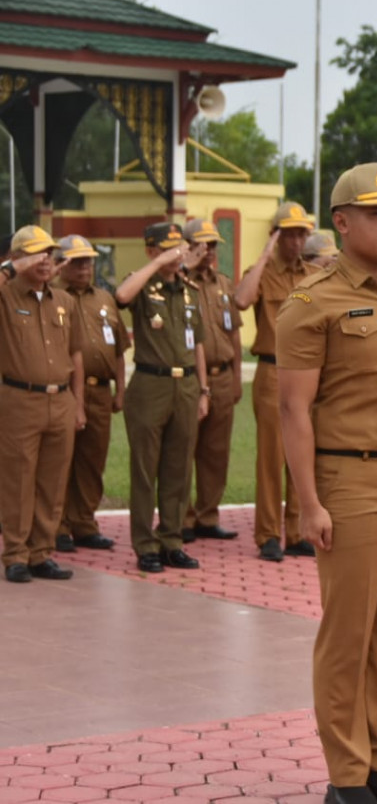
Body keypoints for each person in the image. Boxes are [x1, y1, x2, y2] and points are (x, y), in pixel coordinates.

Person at [278, 162, 377, 804]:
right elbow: (294, 410)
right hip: (350, 480)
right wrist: (310, 504)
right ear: (341, 222)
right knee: (348, 632)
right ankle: (346, 776)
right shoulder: (310, 303)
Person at [116, 222, 209, 573]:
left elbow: (197, 343)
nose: (177, 253)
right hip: (149, 385)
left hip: (184, 386)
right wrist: (157, 265)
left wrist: (203, 389)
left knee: (179, 469)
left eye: (179, 247)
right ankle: (145, 545)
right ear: (151, 250)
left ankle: (172, 540)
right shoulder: (143, 284)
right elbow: (122, 296)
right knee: (145, 470)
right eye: (168, 248)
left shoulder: (188, 291)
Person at [233, 202, 320, 561]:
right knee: (271, 456)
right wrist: (267, 250)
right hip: (272, 370)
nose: (298, 241)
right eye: (290, 234)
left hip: (308, 373)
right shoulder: (263, 272)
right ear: (277, 235)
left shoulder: (313, 274)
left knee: (304, 453)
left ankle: (299, 531)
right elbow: (240, 299)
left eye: (302, 233)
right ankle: (268, 533)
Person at [0, 225, 85, 582]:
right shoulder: (6, 296)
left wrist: (78, 403)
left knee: (53, 479)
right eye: (36, 253)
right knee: (18, 479)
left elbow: (76, 355)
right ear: (17, 259)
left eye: (49, 253)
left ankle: (41, 552)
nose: (46, 260)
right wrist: (8, 269)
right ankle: (16, 553)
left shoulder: (64, 301)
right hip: (20, 398)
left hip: (60, 399)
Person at [55, 234, 126, 553]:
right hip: (65, 391)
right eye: (78, 261)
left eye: (89, 260)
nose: (85, 267)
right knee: (61, 462)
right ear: (62, 264)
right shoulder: (53, 296)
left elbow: (120, 349)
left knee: (92, 460)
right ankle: (57, 526)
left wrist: (120, 389)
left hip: (100, 390)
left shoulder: (104, 299)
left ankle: (84, 523)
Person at [182, 218, 243, 542]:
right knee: (184, 448)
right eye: (201, 244)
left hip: (221, 375)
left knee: (216, 453)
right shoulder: (179, 282)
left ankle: (208, 515)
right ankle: (183, 517)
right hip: (190, 378)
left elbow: (233, 330)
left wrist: (235, 378)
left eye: (213, 244)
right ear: (187, 246)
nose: (208, 251)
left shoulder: (223, 283)